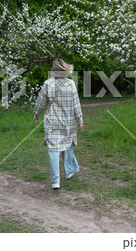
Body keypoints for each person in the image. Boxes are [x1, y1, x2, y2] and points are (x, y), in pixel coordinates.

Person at [33, 58, 83, 189]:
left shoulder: (48, 84)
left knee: (53, 150)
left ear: (53, 71)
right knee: (67, 146)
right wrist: (80, 120)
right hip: (68, 122)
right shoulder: (71, 84)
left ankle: (55, 181)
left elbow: (40, 102)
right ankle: (69, 172)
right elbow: (76, 104)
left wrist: (36, 114)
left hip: (52, 122)